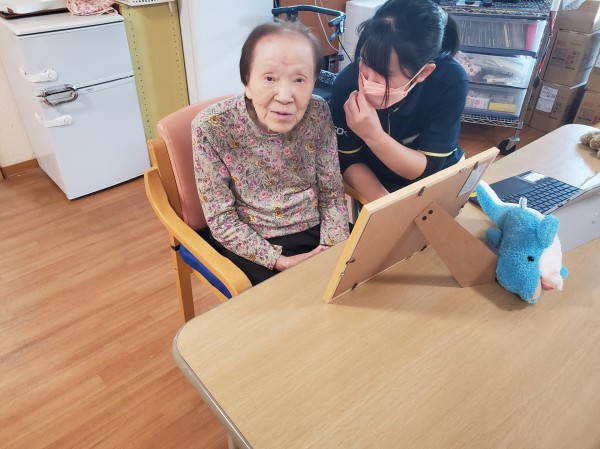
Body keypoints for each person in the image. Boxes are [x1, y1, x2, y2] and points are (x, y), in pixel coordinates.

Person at [192, 20, 350, 286]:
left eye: (299, 80)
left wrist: (331, 247)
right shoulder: (212, 127)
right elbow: (221, 219)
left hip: (317, 229)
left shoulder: (318, 111)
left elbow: (332, 194)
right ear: (247, 81)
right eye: (269, 78)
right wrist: (279, 261)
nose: (285, 96)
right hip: (252, 240)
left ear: (313, 83)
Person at [329, 0, 468, 203]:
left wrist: (373, 135)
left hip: (432, 180)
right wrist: (385, 203)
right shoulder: (346, 84)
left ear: (424, 72)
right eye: (365, 61)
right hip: (374, 181)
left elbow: (429, 167)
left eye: (384, 73)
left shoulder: (449, 81)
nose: (368, 80)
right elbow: (349, 160)